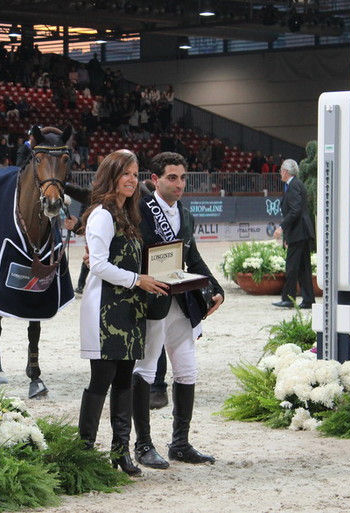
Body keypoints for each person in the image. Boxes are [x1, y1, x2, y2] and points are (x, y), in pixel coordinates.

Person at [78, 150, 169, 477]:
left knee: (124, 382)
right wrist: (137, 280)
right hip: (105, 311)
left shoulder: (128, 215)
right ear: (112, 175)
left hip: (129, 310)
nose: (132, 179)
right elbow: (99, 265)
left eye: (135, 174)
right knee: (101, 380)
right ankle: (84, 451)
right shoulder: (102, 214)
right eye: (125, 174)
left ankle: (121, 452)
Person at [132, 151, 224, 469]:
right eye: (172, 177)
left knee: (187, 371)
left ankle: (180, 444)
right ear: (155, 179)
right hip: (151, 302)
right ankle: (142, 444)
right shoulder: (140, 210)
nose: (179, 183)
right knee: (144, 371)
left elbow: (193, 256)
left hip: (180, 303)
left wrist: (215, 287)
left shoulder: (186, 214)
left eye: (183, 177)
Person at [273, 158, 315, 309]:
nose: (280, 173)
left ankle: (289, 299)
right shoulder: (295, 185)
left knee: (292, 267)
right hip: (300, 232)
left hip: (299, 232)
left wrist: (282, 227)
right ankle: (308, 299)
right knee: (304, 268)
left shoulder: (294, 186)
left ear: (285, 171)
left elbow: (295, 210)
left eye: (281, 171)